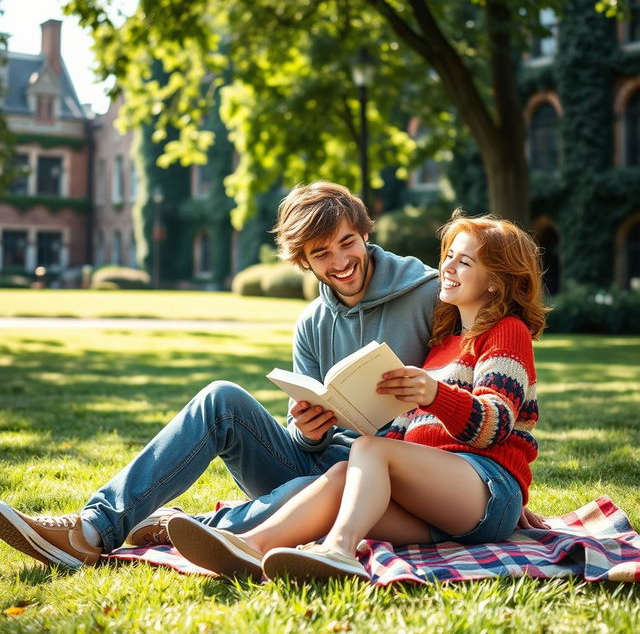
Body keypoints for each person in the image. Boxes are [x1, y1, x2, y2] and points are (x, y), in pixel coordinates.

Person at [0, 181, 441, 568]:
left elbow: (468, 383)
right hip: (317, 463)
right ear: (304, 261)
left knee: (323, 489)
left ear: (365, 232)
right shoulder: (312, 321)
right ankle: (92, 529)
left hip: (387, 477)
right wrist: (307, 431)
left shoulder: (428, 294)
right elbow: (304, 436)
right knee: (220, 398)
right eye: (321, 254)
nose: (340, 261)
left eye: (347, 242)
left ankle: (192, 526)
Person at [161, 210, 550, 581]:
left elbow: (496, 424)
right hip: (439, 506)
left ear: (495, 280)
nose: (446, 267)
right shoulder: (441, 345)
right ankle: (249, 546)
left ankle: (339, 550)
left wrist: (435, 395)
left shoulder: (506, 332)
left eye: (464, 262)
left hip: (486, 490)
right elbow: (404, 432)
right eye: (448, 255)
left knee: (369, 450)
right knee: (346, 474)